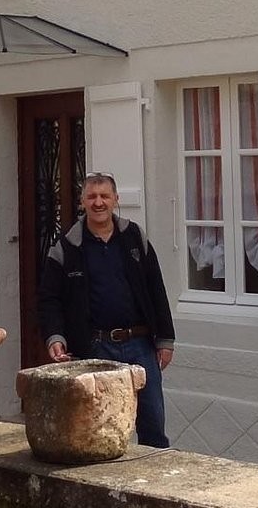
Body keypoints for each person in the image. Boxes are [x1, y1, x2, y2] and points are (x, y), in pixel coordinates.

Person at [36, 171, 174, 447]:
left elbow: (156, 288)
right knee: (99, 428)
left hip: (140, 346)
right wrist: (55, 337)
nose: (98, 203)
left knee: (153, 425)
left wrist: (165, 339)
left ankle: (153, 483)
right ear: (82, 202)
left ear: (115, 200)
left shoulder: (135, 238)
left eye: (104, 196)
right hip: (96, 348)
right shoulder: (66, 247)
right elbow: (49, 299)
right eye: (92, 197)